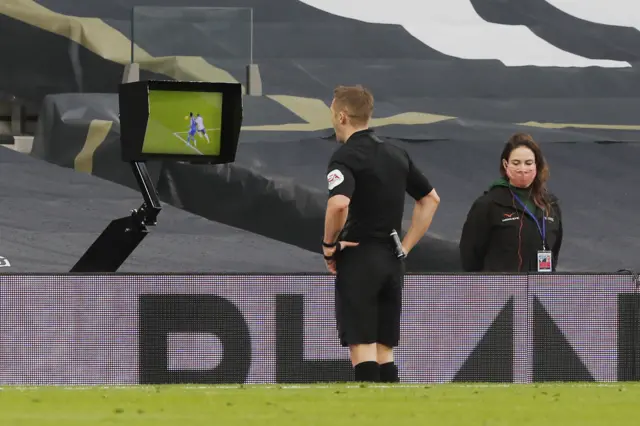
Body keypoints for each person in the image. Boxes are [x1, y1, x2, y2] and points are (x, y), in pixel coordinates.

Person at [321, 85, 440, 383]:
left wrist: (328, 246)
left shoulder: (345, 157)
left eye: (333, 115)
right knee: (384, 349)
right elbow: (430, 199)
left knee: (361, 346)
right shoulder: (396, 153)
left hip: (360, 257)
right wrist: (406, 247)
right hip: (391, 259)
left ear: (343, 116)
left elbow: (338, 204)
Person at [459, 133, 563, 272]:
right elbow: (470, 255)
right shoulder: (488, 204)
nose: (523, 169)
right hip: (500, 290)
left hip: (539, 289)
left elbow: (554, 250)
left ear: (537, 165)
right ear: (505, 164)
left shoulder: (551, 205)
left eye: (528, 163)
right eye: (516, 163)